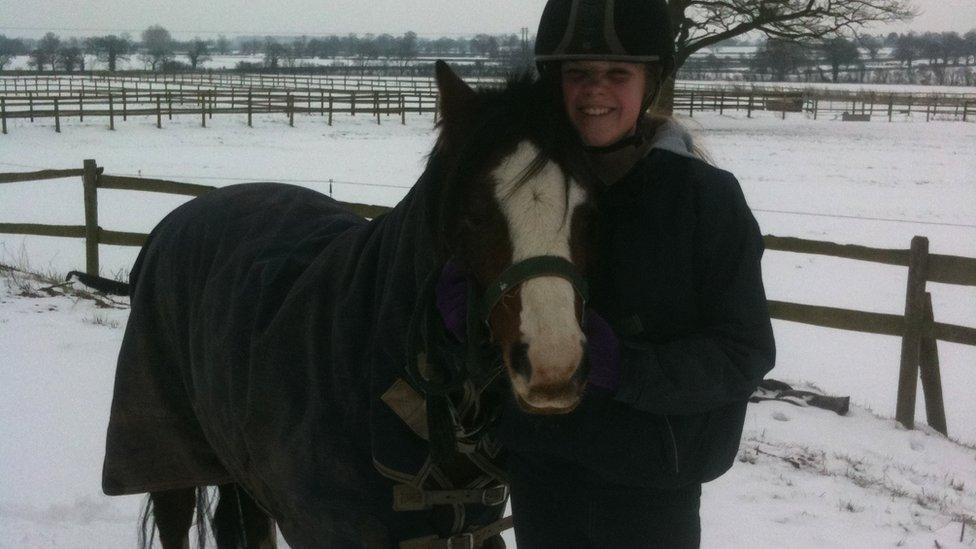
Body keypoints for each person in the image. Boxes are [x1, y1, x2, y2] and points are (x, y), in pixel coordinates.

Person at [499, 1, 775, 547]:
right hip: (542, 470)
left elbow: (743, 351)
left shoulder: (705, 200)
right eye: (578, 74)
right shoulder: (523, 188)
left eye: (617, 75)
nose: (594, 92)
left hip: (652, 482)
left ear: (650, 83)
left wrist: (627, 368)